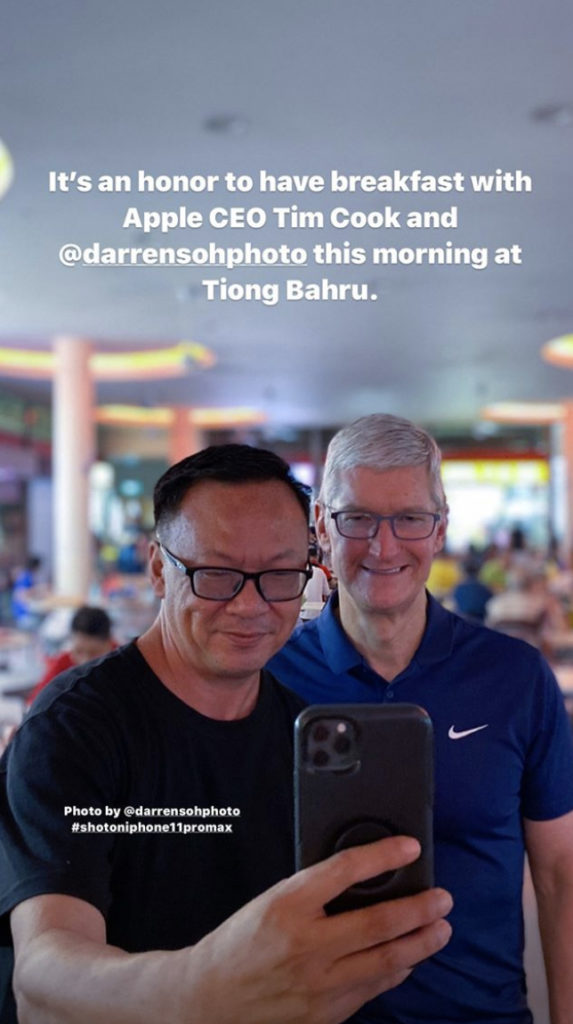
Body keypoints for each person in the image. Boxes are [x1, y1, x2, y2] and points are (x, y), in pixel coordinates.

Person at [0, 444, 453, 1024]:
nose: (251, 604)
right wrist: (198, 988)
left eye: (279, 576)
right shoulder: (77, 729)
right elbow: (43, 978)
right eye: (216, 575)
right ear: (160, 567)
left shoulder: (304, 735)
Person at [269, 414, 573, 1024]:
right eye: (357, 518)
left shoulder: (515, 678)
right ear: (323, 529)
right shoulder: (267, 677)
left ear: (439, 531)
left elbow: (561, 874)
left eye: (409, 518)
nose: (385, 547)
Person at [25, 605, 115, 707]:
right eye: (79, 651)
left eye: (94, 653)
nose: (85, 661)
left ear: (110, 643)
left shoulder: (122, 662)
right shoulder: (63, 662)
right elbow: (34, 704)